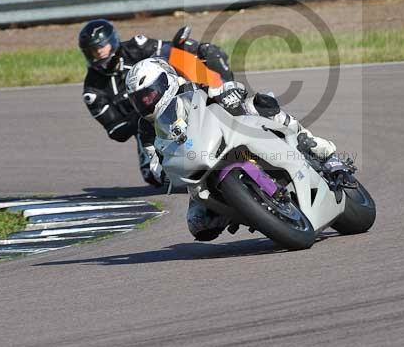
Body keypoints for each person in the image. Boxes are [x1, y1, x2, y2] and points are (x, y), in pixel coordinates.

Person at [124, 57, 337, 242]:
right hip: (200, 169)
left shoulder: (190, 88)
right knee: (199, 225)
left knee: (259, 103)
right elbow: (152, 162)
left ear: (165, 80)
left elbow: (222, 88)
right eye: (139, 99)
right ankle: (248, 209)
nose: (146, 101)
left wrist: (230, 92)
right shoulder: (146, 128)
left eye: (149, 94)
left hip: (231, 137)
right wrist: (162, 171)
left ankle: (308, 142)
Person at [79, 19, 232, 187]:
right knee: (155, 176)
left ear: (112, 41)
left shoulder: (136, 46)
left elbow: (170, 51)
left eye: (102, 46)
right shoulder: (92, 90)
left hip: (176, 92)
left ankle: (226, 94)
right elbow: (116, 131)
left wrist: (189, 49)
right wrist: (144, 108)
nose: (99, 52)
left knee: (191, 52)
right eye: (93, 50)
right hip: (148, 123)